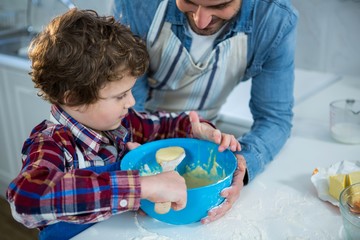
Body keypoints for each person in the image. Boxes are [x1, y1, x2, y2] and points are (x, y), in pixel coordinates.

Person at [6, 8, 243, 240]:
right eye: (119, 96)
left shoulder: (123, 124)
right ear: (74, 98)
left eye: (129, 91)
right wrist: (142, 186)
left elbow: (166, 125)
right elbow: (26, 199)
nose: (131, 102)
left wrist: (198, 129)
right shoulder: (51, 142)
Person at [114, 0, 298, 223]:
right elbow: (128, 109)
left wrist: (243, 163)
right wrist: (136, 170)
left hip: (202, 133)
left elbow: (274, 119)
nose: (201, 21)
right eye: (189, 2)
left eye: (220, 6)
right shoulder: (137, 5)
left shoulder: (274, 20)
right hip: (140, 133)